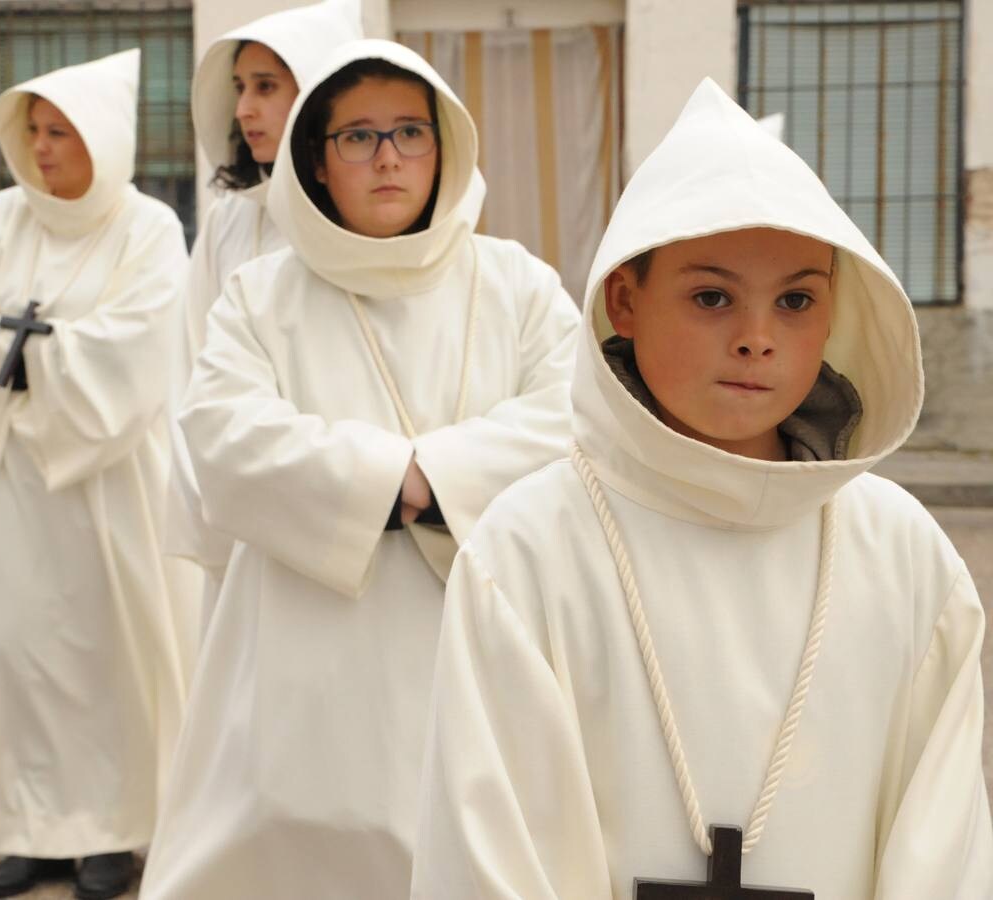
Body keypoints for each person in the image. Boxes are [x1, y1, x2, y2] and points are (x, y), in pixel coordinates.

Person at [410, 78, 993, 899]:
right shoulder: (530, 548)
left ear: (834, 318)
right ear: (626, 300)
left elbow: (943, 851)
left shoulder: (905, 558)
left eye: (795, 300)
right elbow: (492, 852)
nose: (757, 339)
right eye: (712, 297)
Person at [140, 40, 580, 900]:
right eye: (359, 136)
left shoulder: (517, 283)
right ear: (317, 159)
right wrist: (407, 480)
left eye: (410, 132)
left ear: (445, 147)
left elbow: (576, 420)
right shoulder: (262, 295)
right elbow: (224, 434)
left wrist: (423, 475)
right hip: (305, 650)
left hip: (483, 633)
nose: (388, 156)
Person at [0, 50, 190, 900]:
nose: (45, 148)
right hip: (3, 482)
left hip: (101, 483)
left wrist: (22, 360)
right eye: (34, 131)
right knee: (11, 648)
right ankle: (30, 829)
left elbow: (138, 342)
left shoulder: (146, 228)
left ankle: (109, 830)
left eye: (62, 132)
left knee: (98, 650)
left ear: (102, 138)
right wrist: (26, 359)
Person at [166, 0, 364, 651]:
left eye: (267, 87)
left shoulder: (359, 222)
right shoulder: (231, 218)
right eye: (240, 88)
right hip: (237, 492)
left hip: (333, 506)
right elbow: (192, 357)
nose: (245, 109)